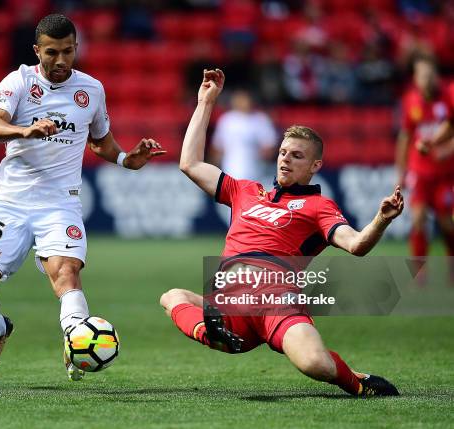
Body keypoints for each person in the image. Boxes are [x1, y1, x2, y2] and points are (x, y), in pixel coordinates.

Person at [160, 69, 403, 397]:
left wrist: (381, 220)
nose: (286, 159)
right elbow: (189, 164)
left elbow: (357, 245)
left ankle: (357, 383)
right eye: (283, 152)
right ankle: (211, 331)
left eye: (297, 155)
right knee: (172, 296)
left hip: (278, 302)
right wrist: (205, 102)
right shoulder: (244, 191)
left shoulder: (318, 207)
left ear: (315, 165)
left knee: (316, 365)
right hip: (230, 306)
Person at [0, 14, 164, 381]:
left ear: (76, 49)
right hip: (11, 201)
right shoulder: (19, 81)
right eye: (51, 52)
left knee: (66, 274)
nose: (59, 61)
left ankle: (76, 341)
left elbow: (101, 141)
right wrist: (26, 130)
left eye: (67, 51)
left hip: (61, 203)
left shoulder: (92, 90)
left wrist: (126, 159)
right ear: (37, 50)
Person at [395, 56, 454, 272]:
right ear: (415, 78)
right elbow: (405, 137)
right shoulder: (410, 100)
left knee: (447, 222)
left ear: (436, 75)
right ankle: (419, 273)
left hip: (446, 172)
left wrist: (448, 149)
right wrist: (401, 171)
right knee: (418, 218)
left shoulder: (448, 97)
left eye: (429, 74)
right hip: (420, 170)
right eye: (421, 75)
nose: (426, 79)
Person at [210, 89, 277, 180]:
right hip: (230, 173)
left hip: (255, 175)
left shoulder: (260, 119)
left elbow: (270, 146)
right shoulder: (226, 120)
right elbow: (218, 147)